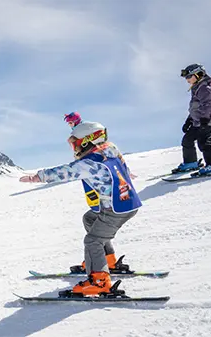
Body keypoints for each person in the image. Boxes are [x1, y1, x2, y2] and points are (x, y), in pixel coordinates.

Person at [20, 121, 142, 296]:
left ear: (87, 141)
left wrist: (36, 177)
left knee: (93, 241)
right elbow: (121, 161)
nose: (75, 148)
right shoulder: (110, 148)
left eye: (76, 143)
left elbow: (64, 172)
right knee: (90, 218)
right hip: (127, 202)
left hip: (115, 209)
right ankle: (108, 260)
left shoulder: (89, 163)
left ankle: (99, 281)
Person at [175, 63, 211, 175]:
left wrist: (204, 119)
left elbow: (207, 104)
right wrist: (189, 120)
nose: (187, 79)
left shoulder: (204, 88)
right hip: (198, 121)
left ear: (198, 75)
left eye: (189, 76)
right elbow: (195, 108)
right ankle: (191, 162)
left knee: (203, 142)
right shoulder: (196, 88)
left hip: (207, 120)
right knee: (187, 140)